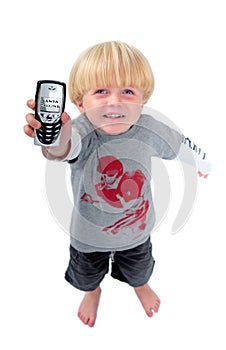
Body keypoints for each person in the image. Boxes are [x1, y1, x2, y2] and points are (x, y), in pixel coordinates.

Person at [24, 41, 211, 327]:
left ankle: (139, 286)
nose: (115, 102)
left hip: (137, 233)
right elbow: (64, 148)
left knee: (140, 270)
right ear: (79, 103)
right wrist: (55, 137)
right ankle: (92, 291)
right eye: (101, 91)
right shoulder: (82, 131)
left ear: (143, 99)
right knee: (85, 276)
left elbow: (180, 144)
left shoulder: (150, 129)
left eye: (127, 91)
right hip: (87, 237)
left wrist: (200, 164)